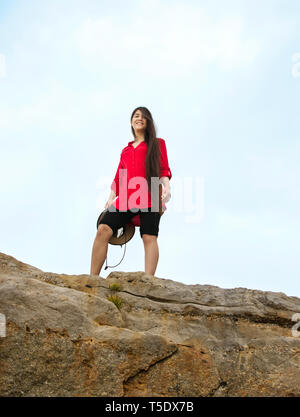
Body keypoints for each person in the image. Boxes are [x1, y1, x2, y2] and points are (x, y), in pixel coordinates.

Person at [90, 106, 172, 277]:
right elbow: (119, 177)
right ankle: (93, 279)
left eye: (143, 116)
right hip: (126, 197)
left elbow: (163, 169)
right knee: (103, 229)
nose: (139, 118)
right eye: (136, 116)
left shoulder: (158, 143)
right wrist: (110, 198)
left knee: (149, 237)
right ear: (131, 122)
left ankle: (149, 280)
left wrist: (167, 188)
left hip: (151, 194)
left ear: (148, 121)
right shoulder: (125, 151)